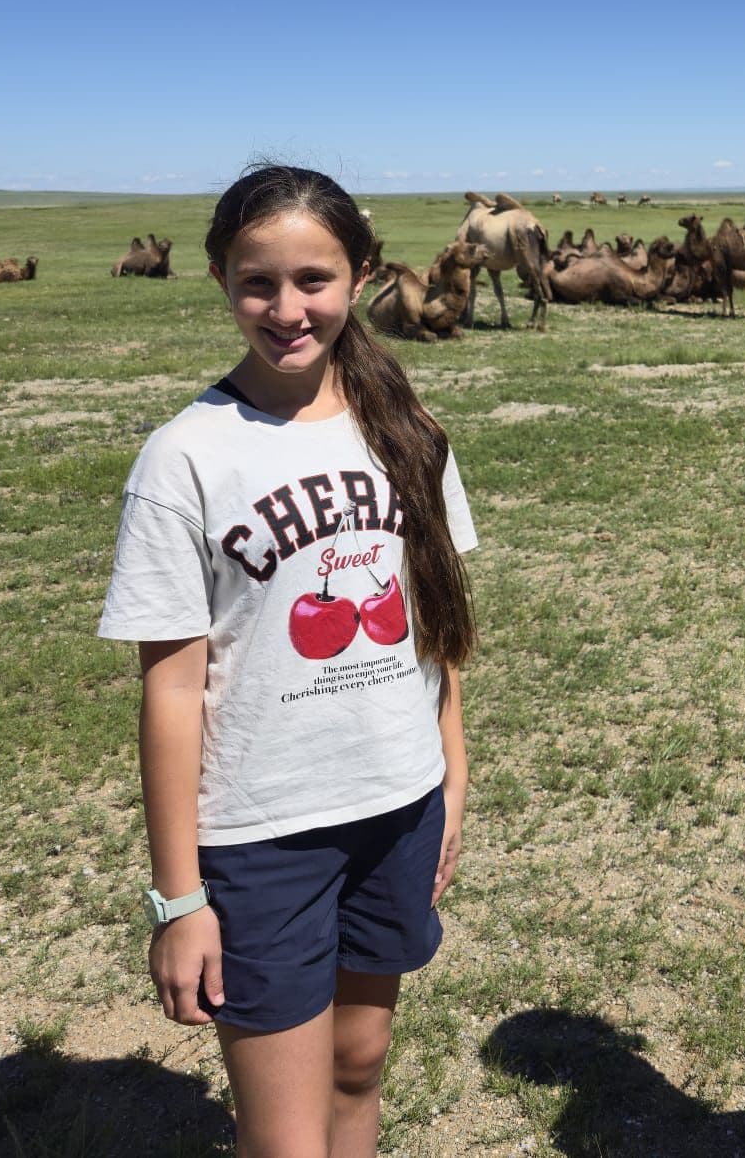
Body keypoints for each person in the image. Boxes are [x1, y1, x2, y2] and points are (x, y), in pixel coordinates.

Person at [99, 164, 478, 1157]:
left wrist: (452, 777)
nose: (287, 309)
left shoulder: (412, 432)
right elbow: (171, 691)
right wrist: (180, 899)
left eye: (314, 279)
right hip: (263, 835)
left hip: (397, 808)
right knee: (284, 1138)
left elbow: (433, 626)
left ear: (361, 277)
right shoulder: (185, 458)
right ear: (220, 280)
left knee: (359, 1068)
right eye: (257, 283)